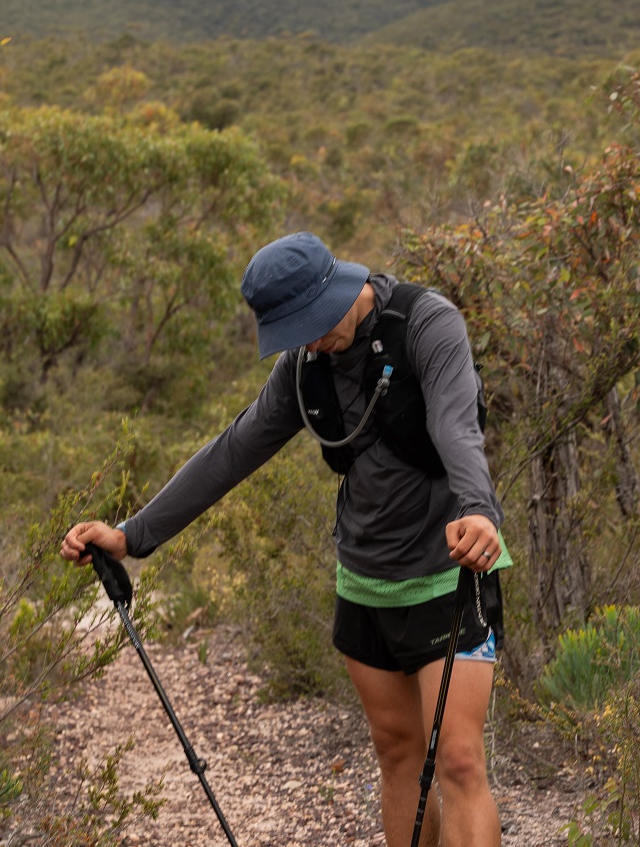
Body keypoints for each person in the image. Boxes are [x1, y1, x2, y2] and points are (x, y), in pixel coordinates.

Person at [61, 232, 511, 847]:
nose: (308, 338)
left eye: (313, 321)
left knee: (458, 759)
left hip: (448, 570)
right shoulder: (304, 368)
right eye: (293, 329)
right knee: (398, 751)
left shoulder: (428, 325)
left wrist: (479, 511)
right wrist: (132, 535)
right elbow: (235, 448)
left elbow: (456, 425)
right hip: (365, 579)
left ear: (344, 285)